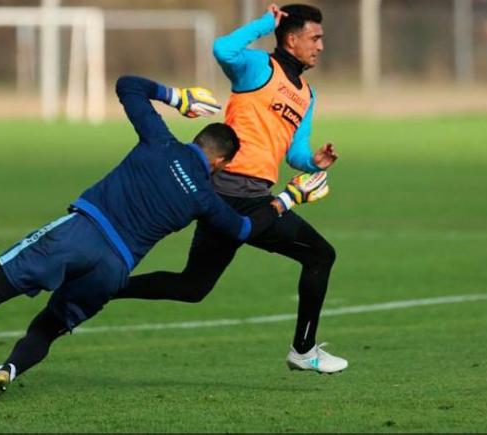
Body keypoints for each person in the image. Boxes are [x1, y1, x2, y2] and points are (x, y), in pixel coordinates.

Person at [0, 75, 328, 403]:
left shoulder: (159, 141)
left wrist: (177, 98)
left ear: (198, 138)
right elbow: (244, 229)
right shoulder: (204, 198)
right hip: (113, 269)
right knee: (48, 327)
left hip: (80, 234)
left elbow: (127, 85)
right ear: (222, 164)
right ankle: (7, 369)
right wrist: (288, 198)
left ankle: (0, 366)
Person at [113, 3, 346, 374]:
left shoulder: (306, 94)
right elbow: (223, 49)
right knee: (320, 255)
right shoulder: (257, 68)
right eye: (314, 37)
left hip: (240, 196)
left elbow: (294, 150)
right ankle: (303, 351)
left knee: (193, 287)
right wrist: (264, 23)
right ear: (290, 38)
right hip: (236, 193)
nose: (320, 45)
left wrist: (311, 162)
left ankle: (106, 285)